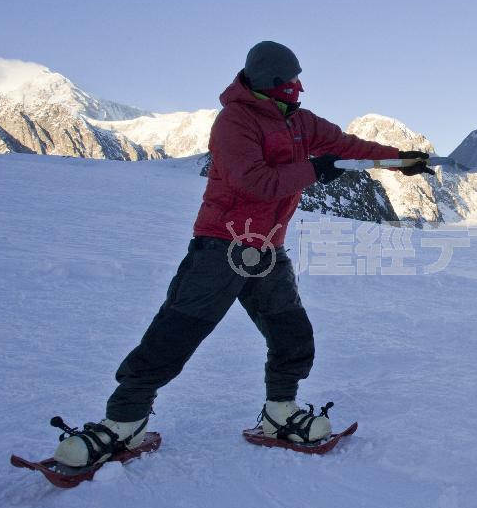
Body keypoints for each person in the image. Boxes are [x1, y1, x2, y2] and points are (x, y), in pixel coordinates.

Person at [53, 41, 432, 467]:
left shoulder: (300, 122)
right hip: (222, 247)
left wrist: (400, 160)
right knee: (174, 336)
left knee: (292, 333)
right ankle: (123, 423)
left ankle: (280, 413)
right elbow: (256, 182)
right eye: (290, 80)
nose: (298, 86)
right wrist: (314, 169)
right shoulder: (234, 122)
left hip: (267, 250)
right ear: (271, 82)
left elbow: (347, 145)